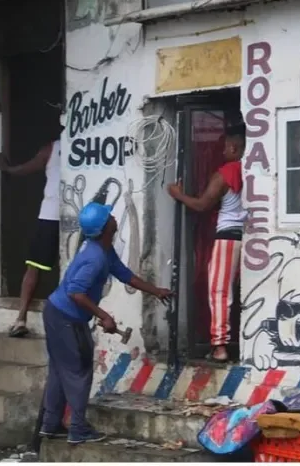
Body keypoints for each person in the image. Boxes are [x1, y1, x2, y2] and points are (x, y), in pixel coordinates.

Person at [39, 202, 173, 444]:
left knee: (61, 370)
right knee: (78, 371)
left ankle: (50, 425)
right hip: (65, 317)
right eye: (109, 216)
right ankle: (78, 428)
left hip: (62, 315)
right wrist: (104, 316)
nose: (113, 216)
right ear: (105, 227)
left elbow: (126, 275)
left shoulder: (102, 249)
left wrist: (155, 291)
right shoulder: (96, 258)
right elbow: (76, 292)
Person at [167, 121, 247, 363]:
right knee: (244, 293)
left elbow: (202, 205)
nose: (222, 153)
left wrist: (177, 194)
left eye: (225, 148)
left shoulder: (227, 172)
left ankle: (220, 347)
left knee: (219, 292)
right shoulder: (254, 170)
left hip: (227, 237)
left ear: (234, 148)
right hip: (249, 236)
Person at [0, 125, 62, 338]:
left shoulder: (51, 148)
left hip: (50, 215)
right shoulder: (84, 145)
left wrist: (7, 168)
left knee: (33, 267)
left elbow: (26, 169)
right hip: (78, 214)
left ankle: (21, 318)